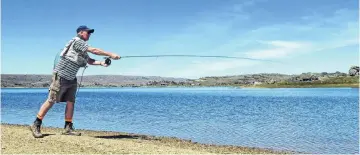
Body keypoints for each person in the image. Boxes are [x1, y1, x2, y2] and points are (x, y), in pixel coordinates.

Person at [29, 25, 121, 138]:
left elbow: (90, 60)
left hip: (71, 78)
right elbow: (94, 50)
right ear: (81, 32)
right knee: (51, 100)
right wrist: (110, 54)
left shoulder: (82, 48)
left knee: (70, 101)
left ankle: (68, 127)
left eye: (90, 33)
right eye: (88, 32)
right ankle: (36, 123)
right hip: (61, 75)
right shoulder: (77, 41)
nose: (89, 34)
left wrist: (101, 63)